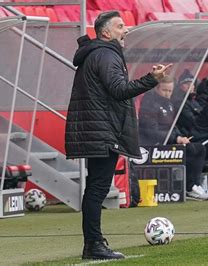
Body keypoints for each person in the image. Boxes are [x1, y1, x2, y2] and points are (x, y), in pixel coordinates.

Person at [64, 11, 172, 261]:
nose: (126, 30)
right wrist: (151, 79)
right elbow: (119, 90)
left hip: (98, 128)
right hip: (102, 130)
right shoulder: (105, 54)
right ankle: (94, 244)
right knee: (97, 189)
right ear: (106, 32)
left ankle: (93, 243)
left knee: (95, 188)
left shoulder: (97, 53)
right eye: (120, 26)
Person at [138, 76, 208, 201]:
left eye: (170, 91)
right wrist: (175, 139)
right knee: (192, 151)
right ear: (156, 88)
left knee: (199, 149)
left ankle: (193, 185)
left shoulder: (169, 104)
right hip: (153, 145)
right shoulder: (149, 103)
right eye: (164, 90)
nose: (167, 94)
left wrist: (180, 136)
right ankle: (189, 187)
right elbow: (151, 130)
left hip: (168, 141)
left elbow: (173, 125)